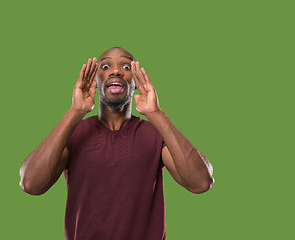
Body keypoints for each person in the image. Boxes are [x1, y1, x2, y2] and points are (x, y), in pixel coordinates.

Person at [19, 47, 214, 240]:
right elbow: (31, 184)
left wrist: (156, 114)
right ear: (96, 80)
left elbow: (201, 182)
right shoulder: (74, 133)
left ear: (135, 82)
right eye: (105, 66)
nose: (116, 71)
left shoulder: (155, 134)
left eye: (126, 66)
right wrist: (75, 111)